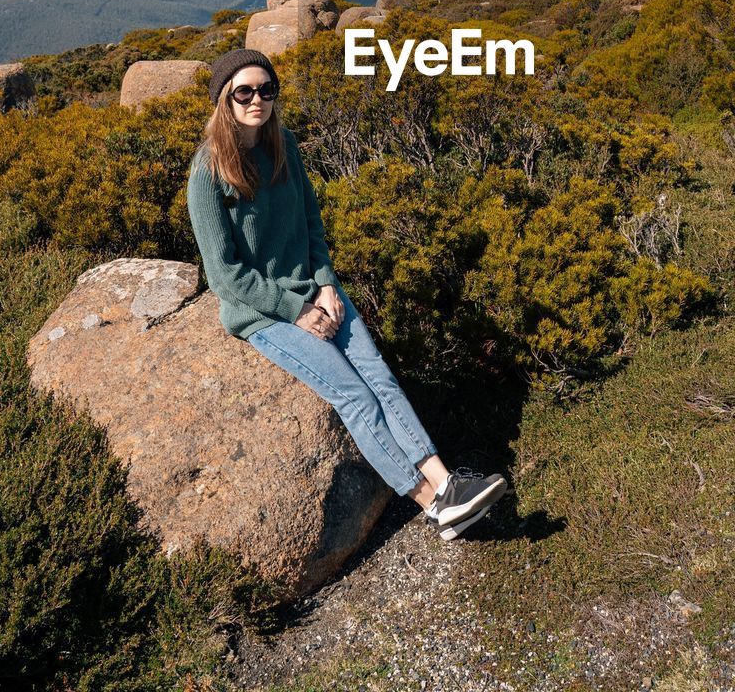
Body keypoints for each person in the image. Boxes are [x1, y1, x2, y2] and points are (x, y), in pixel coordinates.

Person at [186, 48, 507, 542]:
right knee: (353, 395)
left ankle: (446, 485)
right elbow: (225, 277)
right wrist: (298, 311)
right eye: (243, 91)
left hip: (315, 288)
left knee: (378, 375)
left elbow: (312, 223)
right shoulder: (207, 172)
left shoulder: (284, 145)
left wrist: (327, 284)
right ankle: (429, 502)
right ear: (223, 99)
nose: (257, 100)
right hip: (263, 313)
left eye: (265, 90)